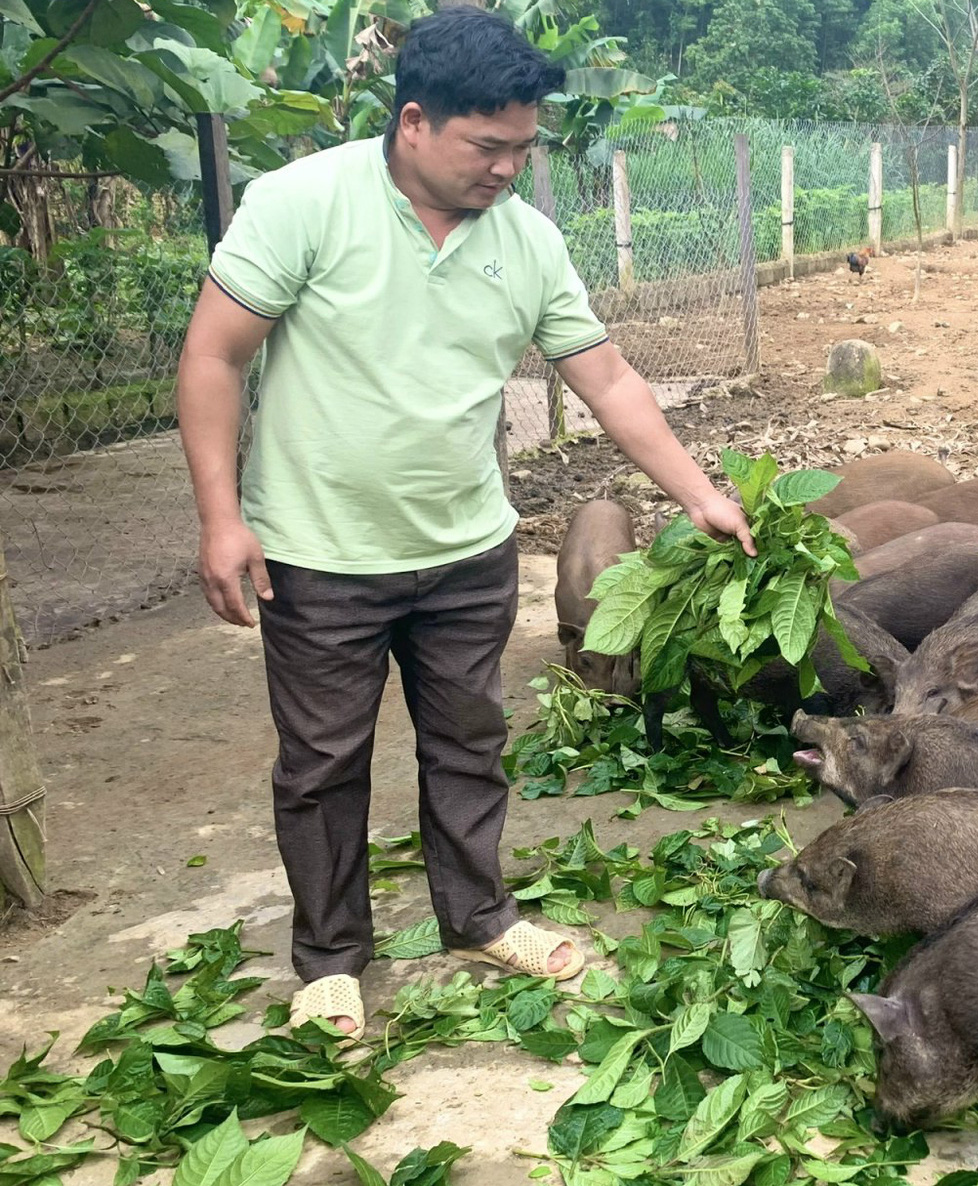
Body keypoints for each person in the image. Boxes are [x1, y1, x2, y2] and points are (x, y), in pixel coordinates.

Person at [175, 7, 754, 1039]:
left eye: (522, 147)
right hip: (318, 554)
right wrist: (222, 519)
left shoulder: (527, 240)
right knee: (319, 765)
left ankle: (479, 918)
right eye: (488, 146)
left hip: (466, 553)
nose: (506, 168)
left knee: (470, 744)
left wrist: (697, 492)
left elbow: (607, 377)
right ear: (413, 123)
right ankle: (330, 960)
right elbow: (215, 356)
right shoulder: (301, 204)